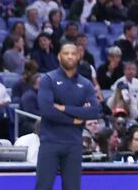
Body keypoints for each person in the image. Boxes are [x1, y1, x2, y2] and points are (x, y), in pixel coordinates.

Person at [36, 43, 101, 190]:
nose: (70, 56)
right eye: (66, 53)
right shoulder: (48, 79)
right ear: (59, 56)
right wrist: (75, 118)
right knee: (43, 186)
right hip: (50, 142)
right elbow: (47, 111)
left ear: (78, 56)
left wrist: (64, 108)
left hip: (74, 144)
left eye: (73, 53)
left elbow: (94, 111)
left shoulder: (85, 84)